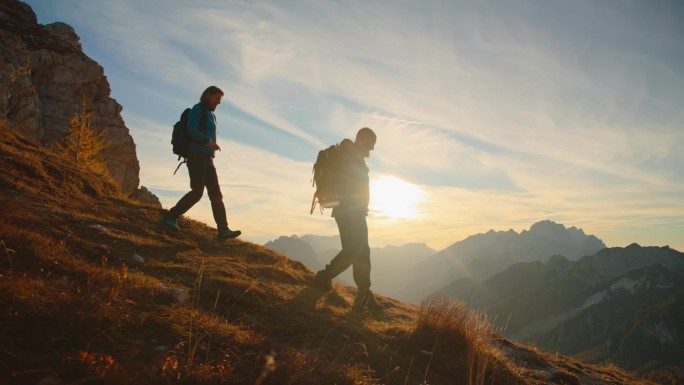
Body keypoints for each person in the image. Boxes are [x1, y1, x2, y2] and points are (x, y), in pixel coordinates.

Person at [312, 127, 382, 312]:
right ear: (361, 139)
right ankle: (330, 279)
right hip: (351, 212)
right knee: (356, 251)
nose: (372, 149)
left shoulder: (349, 154)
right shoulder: (351, 156)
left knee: (357, 251)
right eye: (371, 144)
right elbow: (352, 185)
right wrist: (356, 207)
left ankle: (359, 291)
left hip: (347, 211)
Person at [161, 86, 241, 241]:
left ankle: (223, 230)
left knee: (216, 194)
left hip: (208, 158)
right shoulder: (197, 110)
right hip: (196, 155)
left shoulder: (211, 115)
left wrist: (210, 146)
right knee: (197, 192)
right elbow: (192, 130)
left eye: (220, 100)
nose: (218, 103)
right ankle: (170, 217)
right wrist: (208, 142)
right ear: (208, 96)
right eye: (217, 99)